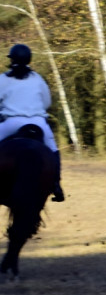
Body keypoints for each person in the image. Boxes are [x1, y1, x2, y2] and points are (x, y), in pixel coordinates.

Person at [0, 44, 64, 202]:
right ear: (29, 60)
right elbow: (47, 102)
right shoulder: (38, 79)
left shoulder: (3, 79)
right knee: (53, 150)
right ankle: (56, 185)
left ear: (12, 60)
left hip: (11, 123)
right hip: (38, 122)